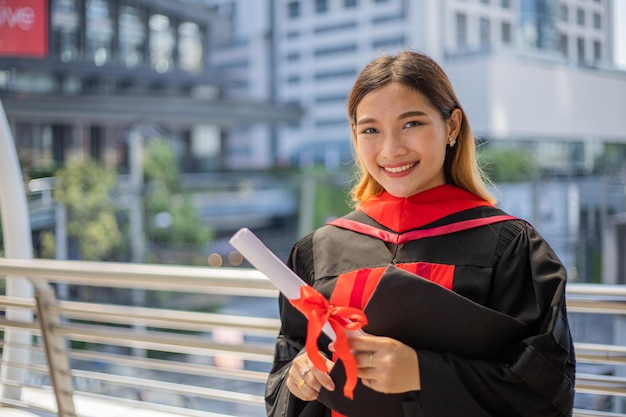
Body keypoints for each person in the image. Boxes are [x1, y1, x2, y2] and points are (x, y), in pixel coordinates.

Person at [265, 50, 576, 417]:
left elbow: (546, 389)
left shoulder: (510, 248)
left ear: (453, 126)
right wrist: (298, 377)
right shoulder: (318, 252)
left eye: (412, 123)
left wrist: (421, 373)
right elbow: (285, 371)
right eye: (370, 130)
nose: (391, 149)